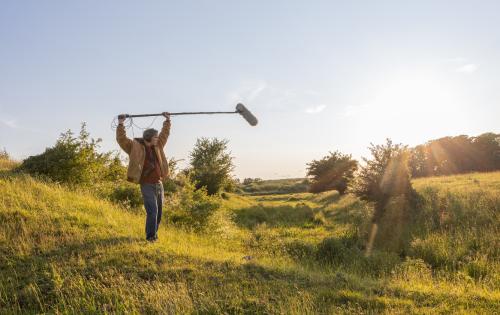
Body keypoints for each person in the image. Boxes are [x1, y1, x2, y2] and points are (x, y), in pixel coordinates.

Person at [116, 112, 171, 242]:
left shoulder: (158, 146)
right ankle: (150, 237)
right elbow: (121, 139)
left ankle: (154, 235)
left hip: (159, 184)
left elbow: (165, 134)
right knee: (152, 211)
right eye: (155, 137)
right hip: (146, 184)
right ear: (149, 138)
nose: (158, 138)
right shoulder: (134, 147)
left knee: (158, 214)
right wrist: (121, 123)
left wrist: (167, 121)